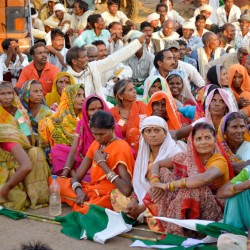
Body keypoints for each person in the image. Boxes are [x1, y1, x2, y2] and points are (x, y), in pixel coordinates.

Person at [149, 122, 232, 235]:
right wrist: (155, 182)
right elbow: (156, 164)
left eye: (207, 137)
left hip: (214, 207)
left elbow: (204, 179)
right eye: (198, 139)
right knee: (163, 172)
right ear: (192, 141)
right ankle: (172, 220)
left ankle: (180, 228)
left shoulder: (219, 160)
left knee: (195, 187)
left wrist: (168, 185)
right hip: (187, 201)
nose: (203, 142)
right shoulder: (185, 157)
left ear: (215, 139)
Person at [55, 110, 134, 214]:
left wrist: (102, 164)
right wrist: (79, 192)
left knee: (87, 209)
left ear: (113, 129)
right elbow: (77, 177)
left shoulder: (121, 147)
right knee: (56, 184)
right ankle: (80, 199)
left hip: (109, 194)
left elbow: (127, 190)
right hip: (92, 189)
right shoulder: (96, 144)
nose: (98, 138)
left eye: (102, 134)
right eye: (94, 134)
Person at [122, 116, 184, 224]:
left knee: (155, 219)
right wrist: (134, 200)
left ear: (165, 133)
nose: (152, 134)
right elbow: (139, 183)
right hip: (146, 196)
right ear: (143, 135)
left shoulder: (174, 153)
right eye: (148, 131)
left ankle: (145, 213)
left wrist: (143, 207)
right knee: (116, 195)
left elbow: (169, 188)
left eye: (157, 130)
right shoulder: (144, 155)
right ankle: (140, 212)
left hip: (168, 196)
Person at [60, 94, 122, 178]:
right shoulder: (82, 124)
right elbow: (74, 149)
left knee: (89, 177)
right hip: (84, 158)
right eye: (92, 109)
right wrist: (65, 171)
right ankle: (73, 172)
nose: (97, 112)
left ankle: (75, 173)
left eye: (100, 108)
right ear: (86, 112)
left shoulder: (112, 126)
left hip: (103, 161)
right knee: (57, 150)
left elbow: (108, 153)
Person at [0, 124, 50, 211]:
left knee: (13, 201)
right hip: (14, 166)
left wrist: (6, 188)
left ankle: (27, 194)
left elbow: (26, 166)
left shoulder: (7, 139)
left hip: (22, 169)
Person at [38, 84, 85, 167]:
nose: (83, 99)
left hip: (80, 164)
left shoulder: (85, 122)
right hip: (55, 166)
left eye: (83, 95)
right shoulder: (50, 123)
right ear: (68, 98)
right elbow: (43, 152)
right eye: (78, 95)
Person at [110, 79, 147, 152]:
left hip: (143, 149)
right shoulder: (112, 113)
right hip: (121, 150)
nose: (135, 91)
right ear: (120, 96)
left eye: (134, 88)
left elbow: (147, 128)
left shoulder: (140, 106)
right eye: (130, 90)